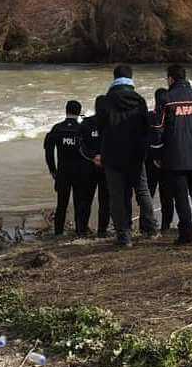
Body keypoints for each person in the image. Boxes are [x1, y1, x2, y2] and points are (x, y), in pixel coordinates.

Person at [151, 65, 192, 245]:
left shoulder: (166, 99)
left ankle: (187, 233)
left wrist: (156, 154)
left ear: (171, 79)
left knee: (180, 196)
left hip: (174, 157)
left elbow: (158, 130)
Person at [97, 65, 157, 247]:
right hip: (136, 155)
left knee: (117, 196)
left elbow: (100, 128)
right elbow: (146, 128)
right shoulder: (139, 100)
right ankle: (150, 229)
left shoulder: (104, 101)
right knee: (142, 191)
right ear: (131, 78)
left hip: (113, 156)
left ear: (114, 78)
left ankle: (124, 236)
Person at [43, 100, 88, 236]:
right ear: (79, 112)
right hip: (80, 173)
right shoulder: (82, 128)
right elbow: (89, 151)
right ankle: (80, 233)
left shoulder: (57, 129)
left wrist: (53, 170)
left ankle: (58, 233)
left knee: (61, 205)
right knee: (79, 204)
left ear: (66, 110)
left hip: (63, 172)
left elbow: (48, 151)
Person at [79, 96, 111, 237]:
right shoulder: (113, 124)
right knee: (105, 201)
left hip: (89, 166)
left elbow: (80, 146)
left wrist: (93, 157)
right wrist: (103, 157)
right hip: (107, 167)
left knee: (86, 200)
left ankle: (82, 230)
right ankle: (102, 231)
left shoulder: (86, 123)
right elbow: (118, 146)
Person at [148, 88, 176, 232]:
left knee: (147, 194)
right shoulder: (173, 116)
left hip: (150, 160)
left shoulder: (149, 116)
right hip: (169, 160)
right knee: (167, 195)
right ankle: (166, 225)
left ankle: (145, 225)